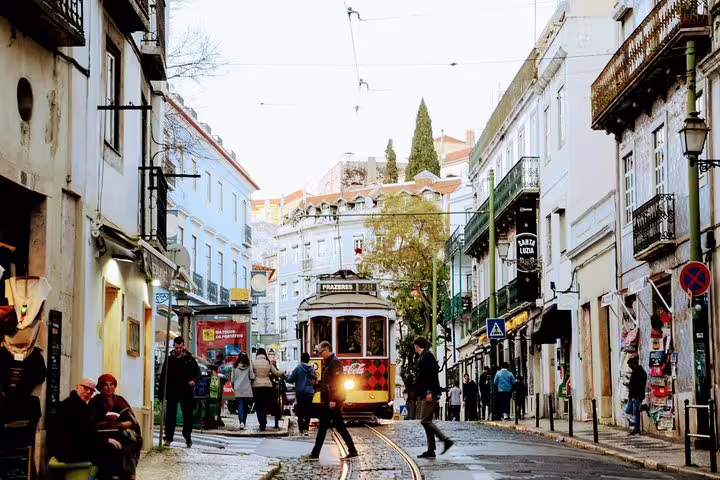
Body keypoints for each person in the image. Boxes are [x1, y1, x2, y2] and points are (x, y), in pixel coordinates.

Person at [48, 379, 122, 477]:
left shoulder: (75, 402)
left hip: (67, 448)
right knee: (110, 450)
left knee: (106, 450)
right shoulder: (74, 404)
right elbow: (85, 432)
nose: (88, 392)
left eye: (91, 391)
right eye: (85, 388)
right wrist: (107, 440)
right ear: (77, 387)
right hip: (68, 451)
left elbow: (84, 431)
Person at [309, 341, 358, 460]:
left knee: (327, 427)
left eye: (321, 352)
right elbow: (328, 383)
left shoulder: (334, 362)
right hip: (329, 400)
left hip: (332, 401)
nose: (320, 355)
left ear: (326, 350)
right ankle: (352, 450)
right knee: (334, 426)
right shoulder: (329, 362)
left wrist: (333, 400)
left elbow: (337, 383)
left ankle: (315, 454)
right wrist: (318, 384)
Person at [89, 374, 143, 480]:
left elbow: (131, 421)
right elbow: (90, 423)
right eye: (106, 385)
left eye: (112, 384)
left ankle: (129, 474)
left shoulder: (120, 400)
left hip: (119, 431)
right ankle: (115, 475)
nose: (109, 387)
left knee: (130, 442)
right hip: (103, 434)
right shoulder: (95, 401)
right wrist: (106, 423)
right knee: (116, 446)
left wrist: (120, 424)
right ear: (100, 387)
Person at [414, 336, 453, 458]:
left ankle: (445, 440)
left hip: (429, 393)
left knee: (425, 420)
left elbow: (430, 377)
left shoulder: (427, 357)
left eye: (414, 346)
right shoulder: (424, 356)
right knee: (427, 421)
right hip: (427, 393)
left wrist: (429, 392)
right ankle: (431, 449)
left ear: (417, 346)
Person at [158, 336, 200, 447]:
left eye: (180, 348)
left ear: (183, 346)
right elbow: (163, 376)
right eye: (176, 348)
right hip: (172, 390)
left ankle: (187, 437)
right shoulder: (170, 359)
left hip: (186, 391)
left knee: (187, 415)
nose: (178, 350)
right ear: (174, 347)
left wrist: (193, 380)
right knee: (170, 415)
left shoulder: (189, 360)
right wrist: (161, 393)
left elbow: (197, 373)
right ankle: (168, 437)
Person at [252, 348, 284, 431]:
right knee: (265, 405)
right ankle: (264, 421)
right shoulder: (268, 362)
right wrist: (283, 372)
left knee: (258, 406)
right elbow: (276, 373)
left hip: (256, 386)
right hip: (267, 386)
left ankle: (262, 422)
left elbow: (251, 375)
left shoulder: (254, 363)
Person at [286, 352, 317, 435]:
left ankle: (301, 429)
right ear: (308, 359)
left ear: (301, 359)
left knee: (300, 411)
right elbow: (314, 380)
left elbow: (290, 379)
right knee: (308, 411)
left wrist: (284, 376)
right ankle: (306, 428)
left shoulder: (298, 368)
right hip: (310, 393)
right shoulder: (312, 369)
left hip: (300, 393)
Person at [232, 352, 255, 430]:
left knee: (240, 405)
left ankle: (241, 421)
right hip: (246, 388)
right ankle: (243, 422)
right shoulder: (248, 366)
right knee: (245, 406)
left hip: (238, 388)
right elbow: (252, 377)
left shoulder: (234, 367)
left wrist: (234, 386)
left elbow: (232, 379)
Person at [626, 356, 647, 435]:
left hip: (637, 396)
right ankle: (642, 407)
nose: (630, 367)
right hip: (632, 396)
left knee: (635, 412)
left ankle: (636, 428)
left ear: (635, 364)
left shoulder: (641, 373)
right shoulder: (634, 372)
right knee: (628, 410)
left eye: (630, 366)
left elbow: (640, 386)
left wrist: (636, 395)